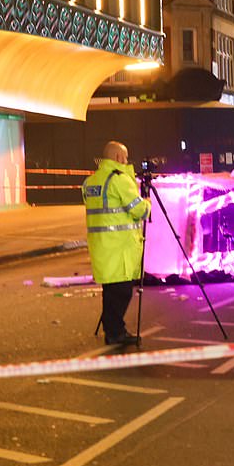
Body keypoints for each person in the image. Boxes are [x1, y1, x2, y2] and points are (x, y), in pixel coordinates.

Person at [82, 141, 151, 346]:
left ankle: (112, 329)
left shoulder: (91, 181)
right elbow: (139, 210)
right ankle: (115, 331)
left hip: (101, 246)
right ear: (119, 157)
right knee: (122, 291)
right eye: (126, 157)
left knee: (111, 290)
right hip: (120, 247)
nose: (127, 161)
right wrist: (147, 202)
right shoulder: (119, 180)